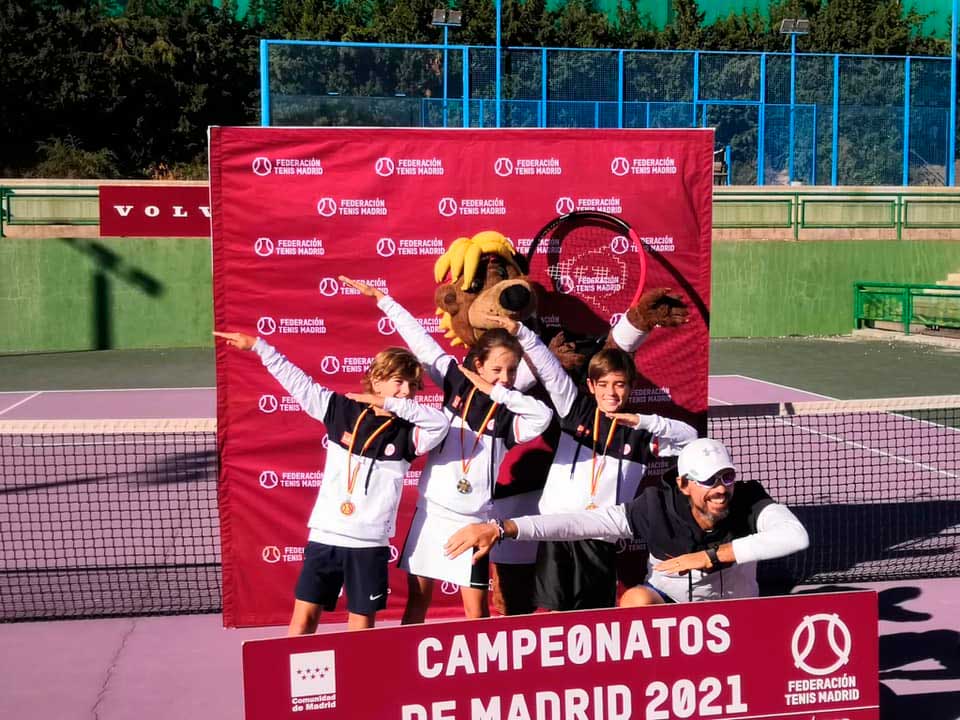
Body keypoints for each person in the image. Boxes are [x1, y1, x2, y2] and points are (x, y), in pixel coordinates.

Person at [338, 276, 554, 623]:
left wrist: (498, 391)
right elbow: (422, 344)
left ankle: (481, 677)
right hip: (432, 513)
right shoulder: (454, 380)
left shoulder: (511, 416)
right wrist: (383, 299)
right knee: (417, 603)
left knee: (476, 612)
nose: (504, 377)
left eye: (511, 371)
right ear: (478, 364)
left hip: (474, 521)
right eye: (495, 369)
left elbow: (543, 416)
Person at [213, 330, 449, 634]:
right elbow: (298, 382)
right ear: (376, 380)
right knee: (304, 619)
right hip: (326, 536)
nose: (406, 392)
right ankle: (293, 679)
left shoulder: (410, 432)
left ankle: (359, 682)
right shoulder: (340, 409)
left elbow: (440, 423)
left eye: (412, 386)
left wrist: (394, 405)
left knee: (361, 625)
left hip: (369, 543)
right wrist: (261, 347)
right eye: (398, 382)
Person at [445, 437, 810, 604]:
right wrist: (501, 528)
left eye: (726, 477)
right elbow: (579, 524)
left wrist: (712, 557)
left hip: (736, 609)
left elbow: (795, 537)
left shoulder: (748, 499)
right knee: (635, 599)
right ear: (683, 484)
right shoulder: (652, 508)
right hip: (671, 600)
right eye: (709, 481)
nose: (720, 489)